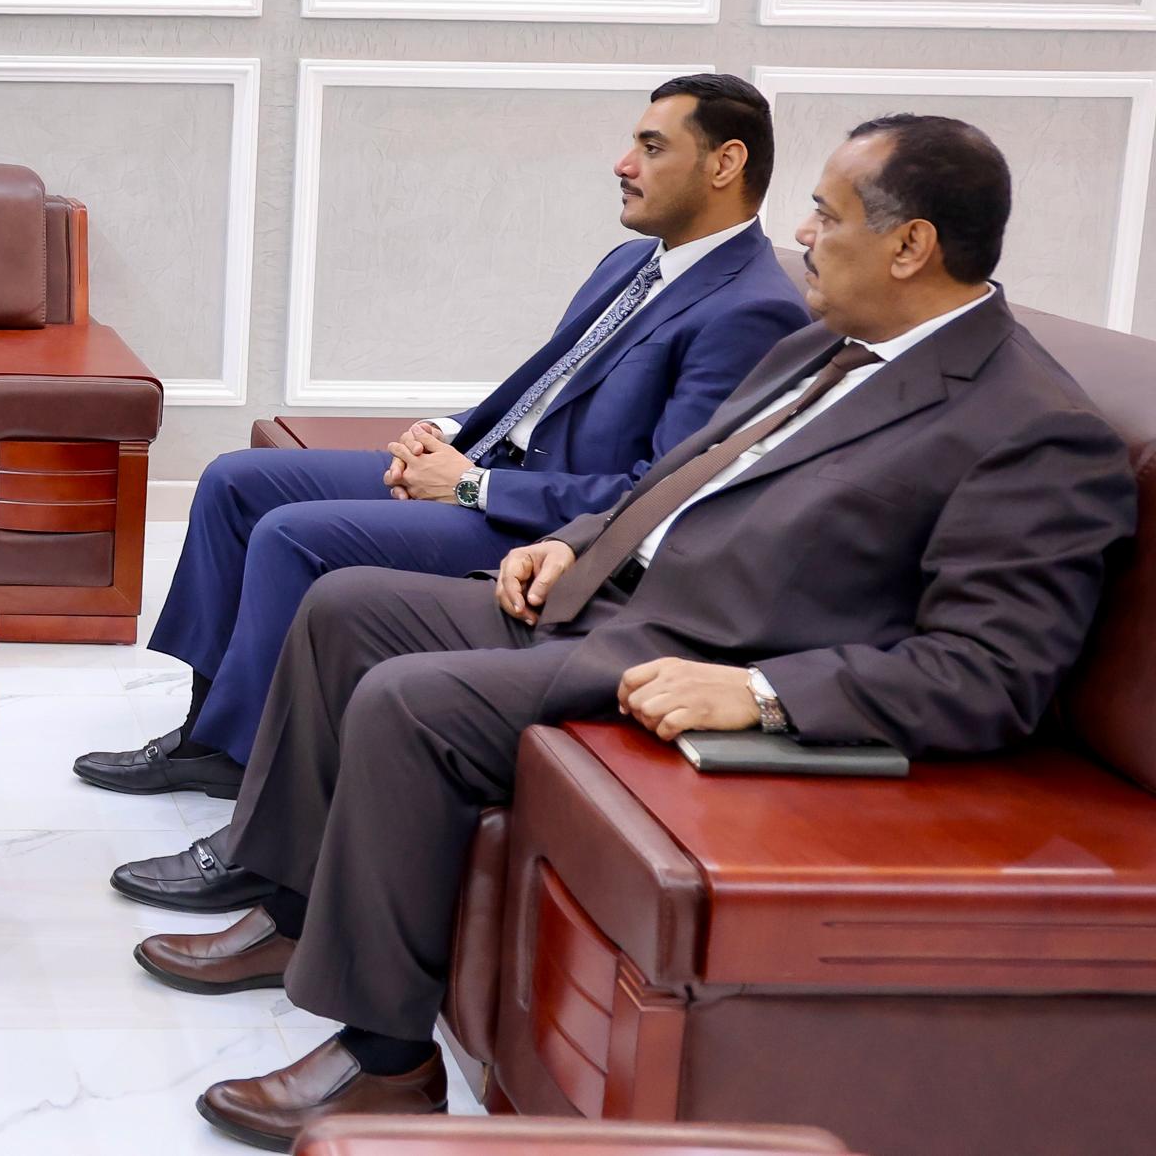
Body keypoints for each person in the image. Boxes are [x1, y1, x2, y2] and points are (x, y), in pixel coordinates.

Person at [136, 115, 1136, 1148]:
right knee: (344, 607)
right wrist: (571, 541)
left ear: (910, 244)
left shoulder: (1032, 427)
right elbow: (676, 477)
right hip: (611, 595)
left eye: (826, 215)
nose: (800, 233)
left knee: (409, 702)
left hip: (695, 653)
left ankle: (386, 1063)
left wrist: (762, 694)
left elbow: (992, 671)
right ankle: (295, 907)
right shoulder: (825, 346)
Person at [83, 76, 807, 914]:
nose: (622, 164)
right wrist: (446, 433)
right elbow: (542, 387)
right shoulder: (635, 262)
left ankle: (261, 822)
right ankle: (214, 737)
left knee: (290, 535)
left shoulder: (751, 310)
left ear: (725, 163)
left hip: (545, 533)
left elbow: (656, 492)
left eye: (651, 147)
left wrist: (469, 484)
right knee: (235, 481)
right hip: (487, 472)